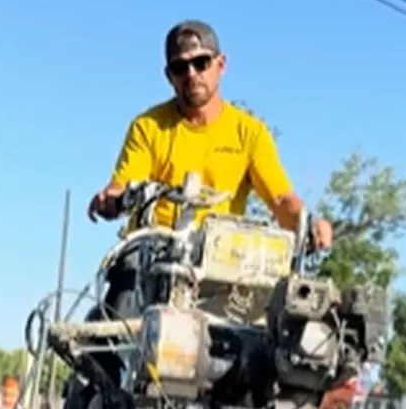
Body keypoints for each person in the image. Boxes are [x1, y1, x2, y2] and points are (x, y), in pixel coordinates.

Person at [89, 20, 333, 254]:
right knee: (123, 283)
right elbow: (123, 184)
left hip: (220, 259)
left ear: (221, 64)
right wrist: (110, 200)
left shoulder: (250, 133)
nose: (191, 74)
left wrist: (308, 224)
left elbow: (280, 199)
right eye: (180, 67)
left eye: (201, 62)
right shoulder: (147, 127)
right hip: (151, 257)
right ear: (169, 76)